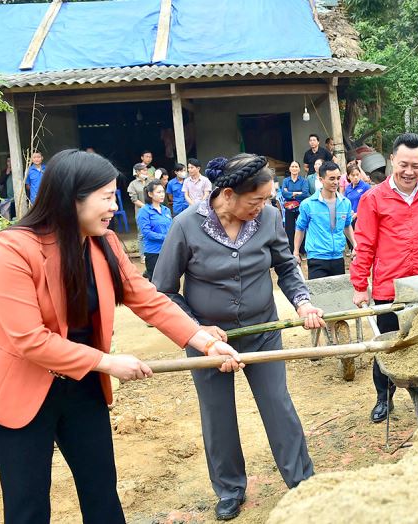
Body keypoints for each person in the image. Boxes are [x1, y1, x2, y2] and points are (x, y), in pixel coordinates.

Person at [0, 149, 241, 524]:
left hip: (81, 386)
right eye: (106, 196)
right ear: (70, 196)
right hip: (19, 390)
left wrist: (203, 339)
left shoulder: (103, 243)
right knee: (27, 507)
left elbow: (145, 296)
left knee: (102, 494)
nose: (114, 206)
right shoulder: (12, 248)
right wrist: (107, 362)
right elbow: (29, 338)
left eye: (115, 195)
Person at [152, 154, 325, 521]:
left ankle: (303, 481)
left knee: (278, 405)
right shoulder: (185, 225)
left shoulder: (270, 217)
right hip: (208, 341)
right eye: (256, 201)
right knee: (218, 416)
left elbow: (285, 266)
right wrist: (197, 328)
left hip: (261, 332)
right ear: (227, 194)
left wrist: (303, 302)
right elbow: (163, 292)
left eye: (267, 200)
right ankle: (230, 489)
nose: (263, 207)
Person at [350, 132, 418, 423]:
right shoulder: (373, 198)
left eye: (416, 165)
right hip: (390, 288)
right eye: (403, 164)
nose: (409, 172)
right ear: (392, 161)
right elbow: (365, 244)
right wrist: (360, 286)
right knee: (389, 345)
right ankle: (383, 397)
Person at [294, 161, 356, 278]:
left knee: (338, 295)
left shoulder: (345, 203)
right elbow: (300, 228)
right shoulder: (308, 204)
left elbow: (347, 226)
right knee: (319, 295)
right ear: (321, 179)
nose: (336, 182)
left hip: (338, 256)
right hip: (317, 258)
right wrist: (296, 252)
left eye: (338, 178)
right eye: (331, 179)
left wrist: (355, 245)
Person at [137, 180, 172, 282]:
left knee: (169, 279)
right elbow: (147, 233)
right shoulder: (144, 211)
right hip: (153, 252)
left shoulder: (166, 210)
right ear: (150, 194)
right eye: (158, 192)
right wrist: (166, 237)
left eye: (163, 192)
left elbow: (171, 227)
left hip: (168, 250)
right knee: (156, 281)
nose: (162, 195)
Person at [281, 160, 310, 253]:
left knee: (301, 227)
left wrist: (291, 194)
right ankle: (291, 250)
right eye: (292, 166)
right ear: (289, 169)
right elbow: (284, 193)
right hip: (289, 208)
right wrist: (297, 193)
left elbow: (305, 193)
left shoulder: (303, 181)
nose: (294, 168)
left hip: (300, 208)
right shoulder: (286, 180)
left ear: (299, 169)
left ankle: (302, 250)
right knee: (289, 229)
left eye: (296, 166)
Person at [127, 162, 150, 261]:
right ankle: (143, 255)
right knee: (142, 234)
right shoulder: (133, 184)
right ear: (137, 172)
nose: (146, 172)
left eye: (146, 170)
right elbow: (134, 199)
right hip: (141, 212)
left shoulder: (150, 181)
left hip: (153, 210)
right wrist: (146, 207)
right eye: (143, 170)